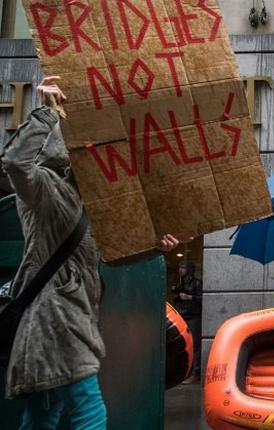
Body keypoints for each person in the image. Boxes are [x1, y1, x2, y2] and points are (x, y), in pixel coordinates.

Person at [0, 76, 179, 429]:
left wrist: (155, 247)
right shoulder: (45, 188)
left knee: (42, 415)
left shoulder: (89, 204)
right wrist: (47, 113)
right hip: (56, 319)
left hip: (69, 318)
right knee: (88, 408)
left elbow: (110, 254)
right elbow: (16, 163)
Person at [172, 261, 203, 383]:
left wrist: (190, 297)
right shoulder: (180, 283)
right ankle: (186, 373)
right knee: (184, 345)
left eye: (183, 267)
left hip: (193, 317)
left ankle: (195, 374)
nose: (180, 270)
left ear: (189, 269)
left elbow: (204, 298)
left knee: (195, 345)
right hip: (182, 316)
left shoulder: (197, 283)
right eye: (179, 267)